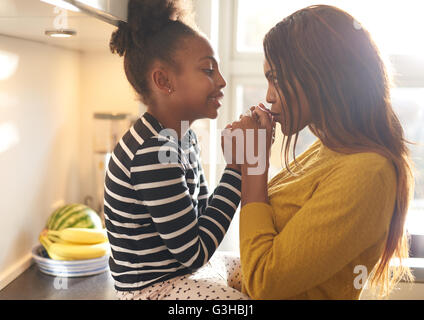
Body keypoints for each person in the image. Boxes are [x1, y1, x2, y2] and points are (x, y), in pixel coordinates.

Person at [229, 5, 415, 300]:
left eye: (276, 78)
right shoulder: (328, 149)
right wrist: (242, 162)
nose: (268, 96)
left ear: (321, 73)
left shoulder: (368, 172)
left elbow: (265, 282)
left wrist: (254, 164)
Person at [105, 0, 248, 300]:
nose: (221, 81)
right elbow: (194, 252)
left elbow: (201, 217)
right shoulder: (152, 152)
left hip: (184, 276)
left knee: (263, 272)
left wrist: (238, 168)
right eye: (208, 70)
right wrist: (236, 170)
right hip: (152, 291)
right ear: (164, 81)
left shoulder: (183, 138)